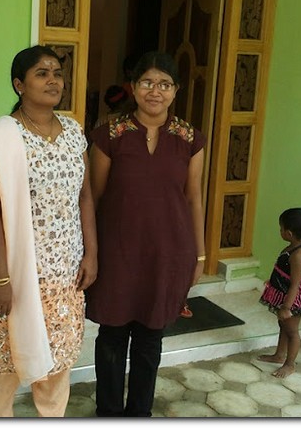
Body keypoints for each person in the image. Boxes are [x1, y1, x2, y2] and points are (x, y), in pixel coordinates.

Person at [0, 45, 98, 417]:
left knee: (57, 365)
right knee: (5, 367)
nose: (53, 80)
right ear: (19, 84)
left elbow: (85, 197)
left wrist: (91, 254)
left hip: (64, 275)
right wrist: (2, 279)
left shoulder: (74, 132)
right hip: (16, 274)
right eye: (42, 73)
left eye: (57, 73)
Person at [85, 50, 207, 417]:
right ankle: (108, 413)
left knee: (150, 338)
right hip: (117, 251)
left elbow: (194, 198)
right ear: (133, 87)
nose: (156, 91)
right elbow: (93, 197)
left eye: (165, 84)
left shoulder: (190, 138)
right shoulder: (110, 134)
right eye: (147, 83)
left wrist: (200, 254)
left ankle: (140, 414)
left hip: (167, 252)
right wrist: (90, 250)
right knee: (112, 335)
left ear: (176, 90)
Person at [258, 207, 301, 378]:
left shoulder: (298, 255)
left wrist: (286, 307)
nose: (280, 231)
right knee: (283, 326)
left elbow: (295, 285)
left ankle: (290, 364)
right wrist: (272, 282)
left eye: (281, 228)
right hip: (283, 294)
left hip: (292, 300)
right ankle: (279, 355)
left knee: (292, 331)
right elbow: (284, 272)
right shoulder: (292, 247)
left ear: (289, 233)